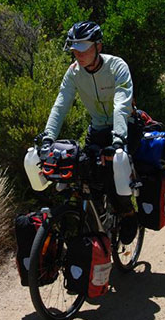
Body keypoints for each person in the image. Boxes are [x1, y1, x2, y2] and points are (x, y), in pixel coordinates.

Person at [41, 21, 138, 244]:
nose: (78, 53)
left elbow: (121, 105)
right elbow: (61, 104)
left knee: (113, 172)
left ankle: (128, 214)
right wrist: (47, 138)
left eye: (84, 48)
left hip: (126, 127)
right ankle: (95, 220)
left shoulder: (117, 67)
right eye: (75, 48)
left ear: (98, 47)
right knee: (83, 174)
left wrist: (118, 141)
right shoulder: (74, 73)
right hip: (97, 128)